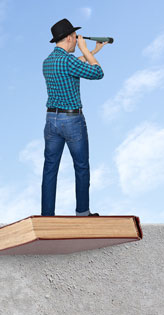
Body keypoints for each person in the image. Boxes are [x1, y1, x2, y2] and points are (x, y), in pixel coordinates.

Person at [41, 18, 107, 216]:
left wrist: (94, 52)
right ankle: (83, 214)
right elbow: (98, 73)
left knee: (50, 169)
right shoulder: (69, 61)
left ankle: (47, 217)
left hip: (51, 121)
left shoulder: (48, 61)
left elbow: (72, 66)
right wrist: (85, 49)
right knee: (81, 167)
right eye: (74, 38)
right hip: (72, 122)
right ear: (70, 38)